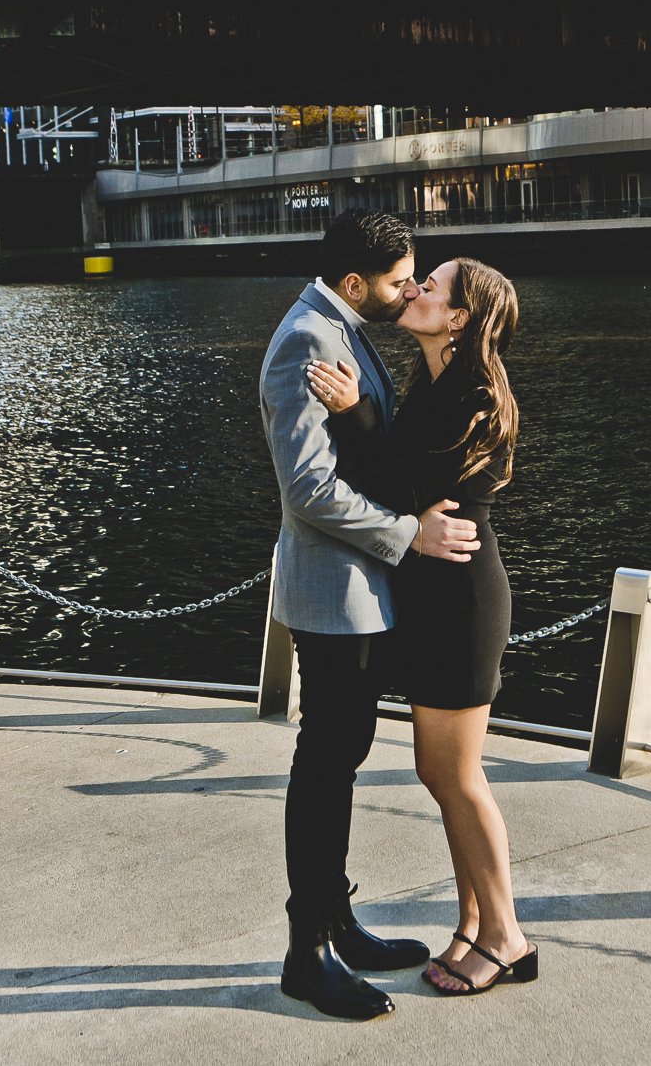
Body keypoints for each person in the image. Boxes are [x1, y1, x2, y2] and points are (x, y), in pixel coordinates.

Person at [259, 210, 482, 1023]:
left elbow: (366, 447)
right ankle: (306, 953)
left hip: (355, 591)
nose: (407, 291)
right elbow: (308, 490)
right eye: (396, 281)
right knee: (325, 763)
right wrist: (408, 534)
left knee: (342, 755)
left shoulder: (341, 327)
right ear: (355, 284)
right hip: (334, 594)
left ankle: (337, 921)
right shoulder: (307, 341)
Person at [307, 256, 538, 998]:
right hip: (433, 595)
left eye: (430, 287)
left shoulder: (474, 394)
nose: (414, 290)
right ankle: (471, 925)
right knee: (440, 775)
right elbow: (405, 489)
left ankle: (507, 938)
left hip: (461, 599)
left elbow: (400, 484)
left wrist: (353, 413)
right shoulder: (435, 382)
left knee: (456, 777)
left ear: (458, 318)